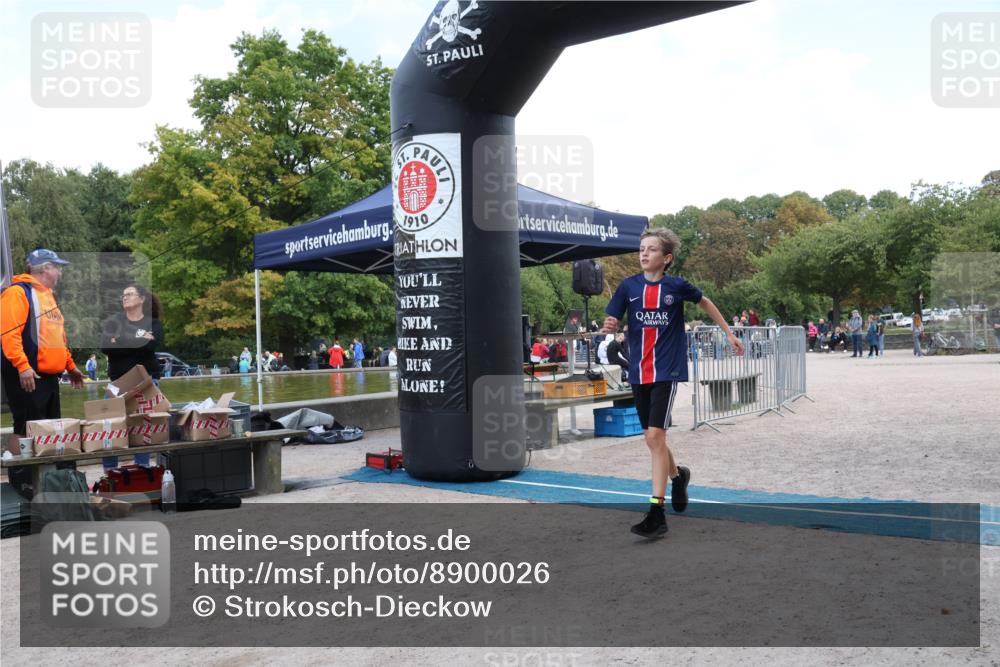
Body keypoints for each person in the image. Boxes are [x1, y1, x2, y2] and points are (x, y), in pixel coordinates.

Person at [604, 229, 744, 539]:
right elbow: (612, 318)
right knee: (653, 440)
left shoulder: (676, 286)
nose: (644, 254)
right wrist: (610, 324)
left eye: (651, 249)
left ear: (666, 258)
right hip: (639, 372)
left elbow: (706, 302)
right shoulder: (628, 286)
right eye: (641, 249)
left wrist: (729, 333)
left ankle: (657, 512)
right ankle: (678, 476)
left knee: (655, 436)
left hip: (666, 371)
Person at [1, 249, 85, 498]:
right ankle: (22, 481)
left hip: (49, 376)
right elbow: (8, 334)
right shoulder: (17, 293)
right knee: (24, 425)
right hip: (27, 373)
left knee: (47, 425)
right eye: (57, 267)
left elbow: (58, 338)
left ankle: (47, 483)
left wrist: (71, 366)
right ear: (44, 268)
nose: (60, 272)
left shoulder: (48, 297)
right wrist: (23, 366)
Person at [101, 284, 164, 381]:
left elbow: (149, 345)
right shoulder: (113, 322)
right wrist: (140, 338)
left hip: (147, 379)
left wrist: (118, 339)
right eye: (123, 296)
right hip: (119, 380)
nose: (125, 298)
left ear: (142, 299)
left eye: (129, 294)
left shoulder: (154, 323)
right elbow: (106, 348)